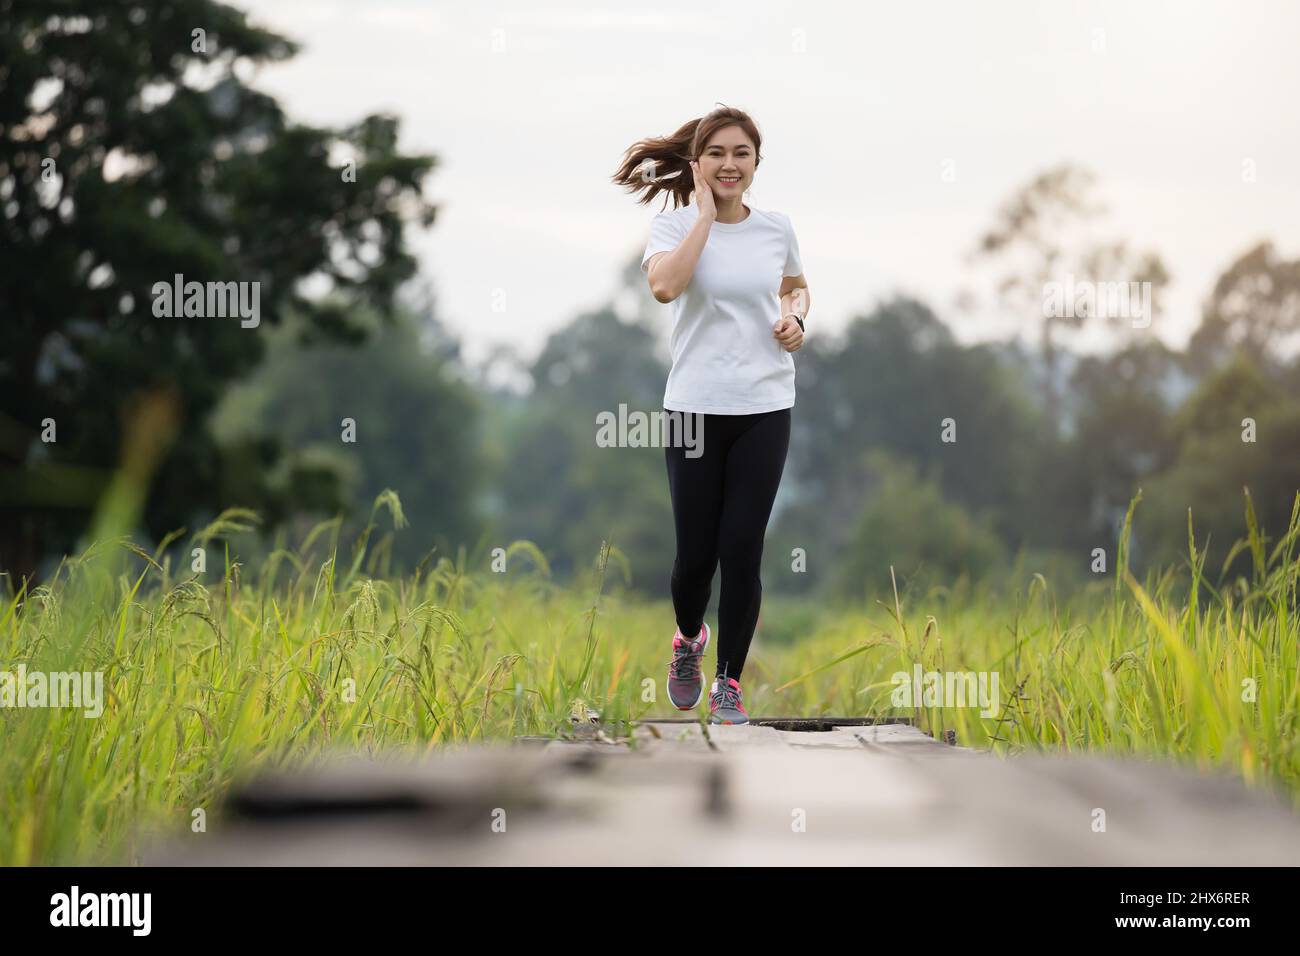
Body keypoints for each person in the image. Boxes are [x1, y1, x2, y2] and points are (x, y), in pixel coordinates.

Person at [611, 105, 809, 724]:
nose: (730, 164)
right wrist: (702, 219)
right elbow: (666, 288)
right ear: (697, 163)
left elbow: (795, 285)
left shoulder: (776, 228)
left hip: (764, 406)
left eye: (741, 154)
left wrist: (796, 318)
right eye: (718, 153)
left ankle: (729, 680)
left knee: (742, 547)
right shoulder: (673, 229)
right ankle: (688, 640)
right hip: (693, 410)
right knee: (695, 556)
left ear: (756, 163)